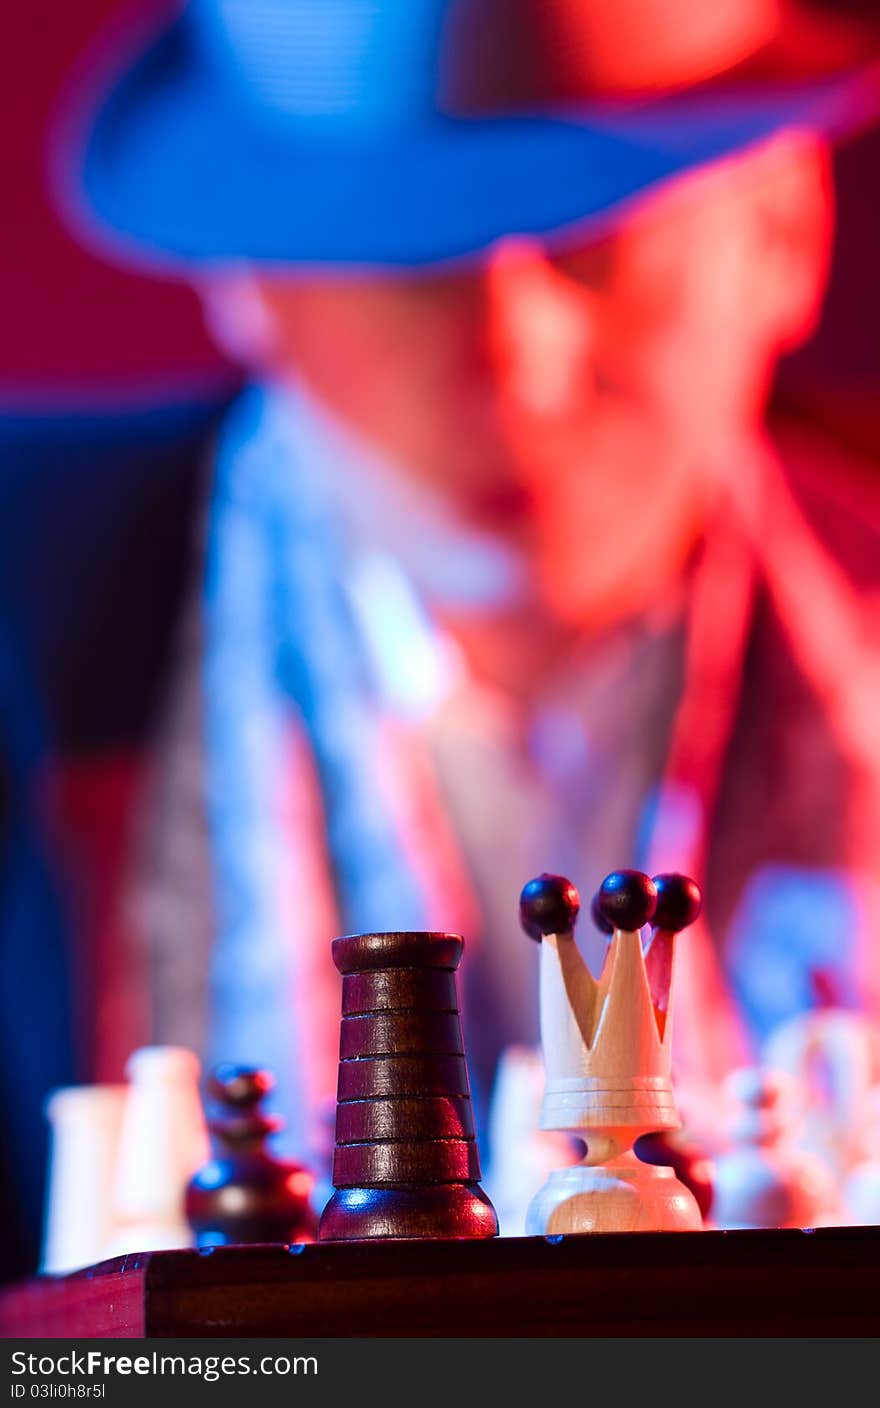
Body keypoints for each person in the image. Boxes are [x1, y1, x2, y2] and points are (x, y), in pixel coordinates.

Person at [54, 0, 880, 1169]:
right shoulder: (23, 668)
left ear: (783, 234)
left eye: (596, 245)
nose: (514, 363)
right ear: (245, 287)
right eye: (411, 265)